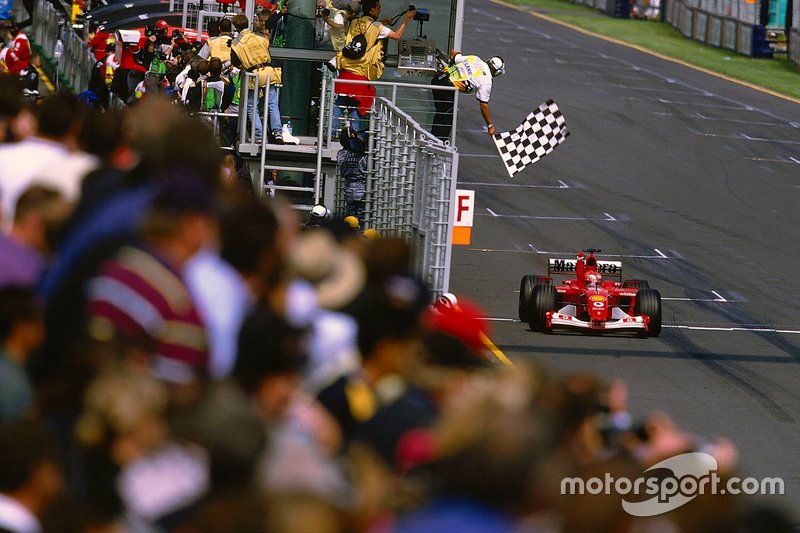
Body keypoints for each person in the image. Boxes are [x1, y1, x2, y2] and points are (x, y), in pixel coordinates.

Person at [332, 0, 415, 133]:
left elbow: (365, 30)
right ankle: (354, 139)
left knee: (340, 103)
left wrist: (382, 23)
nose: (379, 10)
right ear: (371, 10)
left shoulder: (355, 22)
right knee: (358, 107)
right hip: (361, 73)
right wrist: (406, 19)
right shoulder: (377, 27)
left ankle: (330, 132)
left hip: (346, 70)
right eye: (378, 8)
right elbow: (397, 35)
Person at [230, 12, 298, 145]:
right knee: (272, 103)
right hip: (268, 71)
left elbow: (235, 61)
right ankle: (278, 132)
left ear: (236, 28)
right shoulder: (260, 37)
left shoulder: (236, 43)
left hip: (253, 74)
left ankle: (260, 135)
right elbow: (267, 49)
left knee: (251, 106)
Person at [431, 51, 504, 140]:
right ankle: (438, 144)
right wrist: (490, 125)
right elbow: (483, 104)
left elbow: (454, 55)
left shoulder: (475, 59)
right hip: (447, 88)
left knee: (441, 113)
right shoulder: (487, 81)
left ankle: (433, 139)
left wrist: (457, 54)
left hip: (438, 79)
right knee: (446, 119)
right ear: (497, 72)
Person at [336, 126, 367, 221]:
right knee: (362, 218)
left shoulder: (341, 154)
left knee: (350, 217)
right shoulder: (364, 156)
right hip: (362, 186)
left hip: (349, 187)